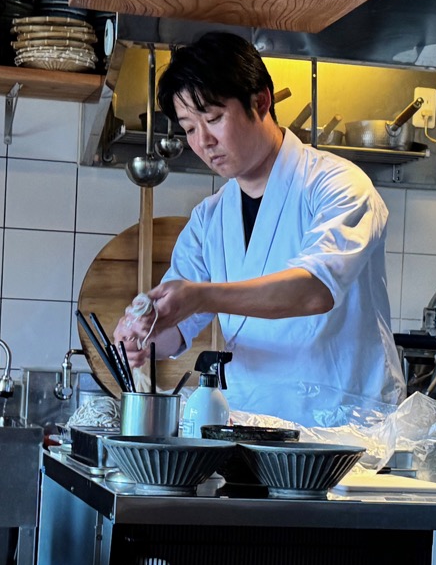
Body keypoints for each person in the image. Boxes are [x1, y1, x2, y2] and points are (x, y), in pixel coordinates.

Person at [114, 31, 404, 425]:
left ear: (261, 101)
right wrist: (144, 336)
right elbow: (174, 332)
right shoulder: (209, 218)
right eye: (189, 127)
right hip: (250, 427)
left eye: (213, 119)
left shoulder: (338, 185)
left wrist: (201, 297)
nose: (204, 142)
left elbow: (314, 291)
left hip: (343, 433)